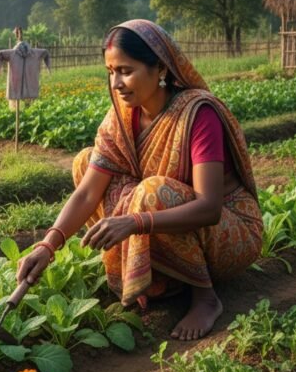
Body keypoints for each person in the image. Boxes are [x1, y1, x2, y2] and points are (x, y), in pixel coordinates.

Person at [16, 19, 262, 341]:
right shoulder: (120, 117)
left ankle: (205, 296)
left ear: (159, 69)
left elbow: (209, 208)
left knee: (151, 193)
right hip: (168, 216)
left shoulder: (198, 115)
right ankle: (158, 275)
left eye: (125, 70)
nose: (116, 82)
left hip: (229, 230)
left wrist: (134, 223)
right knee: (86, 162)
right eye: (110, 71)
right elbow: (87, 194)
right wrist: (48, 245)